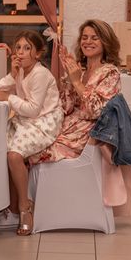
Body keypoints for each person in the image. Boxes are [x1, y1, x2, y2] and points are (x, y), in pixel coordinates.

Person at [0, 31, 63, 235]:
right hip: (26, 120)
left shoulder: (40, 74)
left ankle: (24, 208)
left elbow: (33, 109)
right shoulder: (21, 70)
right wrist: (12, 75)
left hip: (43, 121)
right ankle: (9, 205)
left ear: (38, 54)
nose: (21, 53)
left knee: (14, 155)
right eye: (18, 48)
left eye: (27, 48)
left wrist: (9, 98)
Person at [29, 19, 122, 166]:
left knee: (30, 154)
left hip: (85, 135)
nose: (88, 41)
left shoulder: (110, 73)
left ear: (105, 42)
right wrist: (68, 80)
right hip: (65, 126)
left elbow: (95, 112)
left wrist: (77, 82)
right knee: (22, 143)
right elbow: (65, 107)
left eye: (94, 38)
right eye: (84, 38)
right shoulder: (81, 70)